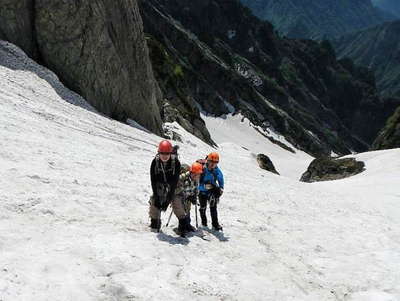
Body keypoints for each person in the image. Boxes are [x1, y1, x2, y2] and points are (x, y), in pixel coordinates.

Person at [149, 140, 181, 232]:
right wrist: (156, 195)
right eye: (162, 153)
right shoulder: (155, 162)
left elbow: (175, 182)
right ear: (159, 153)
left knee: (176, 200)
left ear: (170, 153)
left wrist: (168, 198)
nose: (164, 156)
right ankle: (155, 221)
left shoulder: (176, 163)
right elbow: (153, 180)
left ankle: (183, 222)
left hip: (172, 184)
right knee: (154, 200)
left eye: (167, 153)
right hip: (159, 183)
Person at [173, 162, 204, 235]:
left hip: (187, 196)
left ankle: (187, 225)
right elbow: (175, 185)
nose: (196, 176)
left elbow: (196, 189)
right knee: (181, 211)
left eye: (198, 174)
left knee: (187, 209)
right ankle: (181, 228)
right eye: (195, 173)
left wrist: (194, 196)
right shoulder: (183, 177)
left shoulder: (196, 179)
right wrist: (183, 191)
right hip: (178, 195)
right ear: (191, 172)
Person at [198, 152, 224, 231]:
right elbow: (196, 181)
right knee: (203, 207)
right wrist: (204, 187)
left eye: (215, 162)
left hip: (211, 191)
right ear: (207, 161)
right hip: (202, 191)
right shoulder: (202, 169)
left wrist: (221, 187)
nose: (213, 164)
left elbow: (220, 178)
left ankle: (215, 224)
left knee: (213, 207)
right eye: (211, 162)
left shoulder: (216, 170)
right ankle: (204, 223)